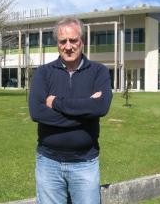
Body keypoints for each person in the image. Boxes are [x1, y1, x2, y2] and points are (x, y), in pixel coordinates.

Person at [29, 17, 113, 204]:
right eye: (62, 41)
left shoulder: (99, 72)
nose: (68, 46)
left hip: (85, 164)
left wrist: (57, 103)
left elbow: (101, 107)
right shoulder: (43, 73)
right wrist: (86, 112)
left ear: (82, 41)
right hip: (48, 163)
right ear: (57, 44)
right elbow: (36, 112)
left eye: (73, 40)